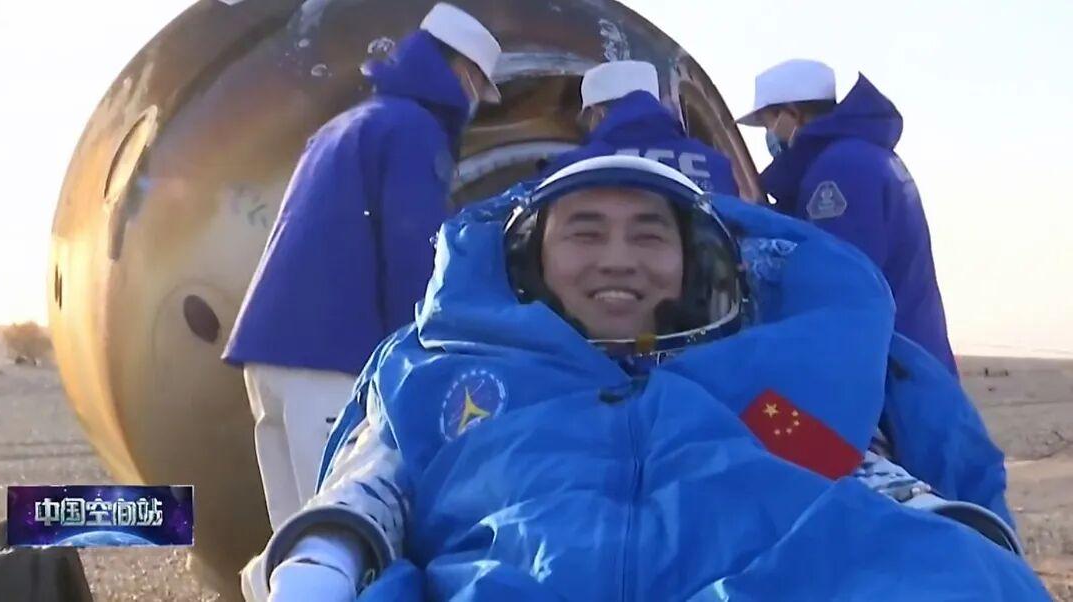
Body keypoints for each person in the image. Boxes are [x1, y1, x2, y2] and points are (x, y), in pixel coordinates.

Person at [251, 156, 1041, 601]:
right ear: (530, 259)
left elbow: (850, 470)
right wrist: (321, 568)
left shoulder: (758, 388)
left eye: (650, 236)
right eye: (584, 232)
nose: (618, 258)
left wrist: (959, 537)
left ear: (692, 264)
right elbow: (367, 491)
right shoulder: (448, 375)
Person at [222, 2, 503, 532]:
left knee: (294, 536)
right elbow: (413, 252)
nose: (474, 104)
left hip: (268, 358)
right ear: (461, 72)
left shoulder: (349, 123)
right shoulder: (414, 132)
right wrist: (422, 355)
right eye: (476, 87)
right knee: (338, 531)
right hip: (331, 360)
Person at [737, 59, 958, 373]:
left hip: (890, 370)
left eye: (769, 123)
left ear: (791, 114)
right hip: (912, 356)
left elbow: (840, 285)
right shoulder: (866, 156)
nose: (770, 135)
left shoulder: (840, 170)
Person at [543, 60, 738, 195]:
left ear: (598, 113)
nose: (587, 129)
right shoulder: (717, 165)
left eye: (587, 121)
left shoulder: (572, 167)